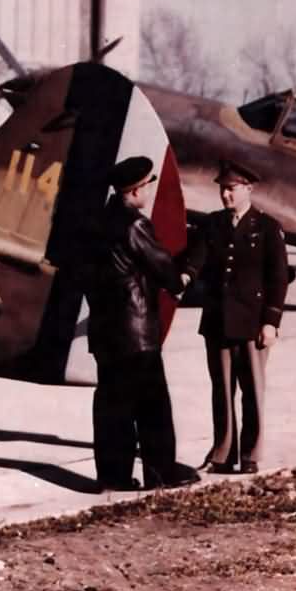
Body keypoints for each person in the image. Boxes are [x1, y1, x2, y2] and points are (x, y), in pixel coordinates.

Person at [85, 155, 198, 492]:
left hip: (105, 332)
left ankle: (113, 476)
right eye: (147, 185)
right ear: (134, 191)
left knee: (111, 405)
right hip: (136, 335)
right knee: (153, 407)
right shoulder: (134, 225)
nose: (148, 190)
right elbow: (164, 270)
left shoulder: (98, 223)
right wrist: (185, 275)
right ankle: (161, 471)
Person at [182, 159, 289, 475]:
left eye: (231, 189)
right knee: (222, 390)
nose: (226, 195)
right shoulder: (212, 224)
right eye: (222, 190)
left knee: (253, 392)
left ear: (248, 189)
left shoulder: (267, 228)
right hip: (217, 322)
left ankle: (250, 454)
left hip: (252, 323)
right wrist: (183, 279)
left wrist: (271, 322)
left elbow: (278, 278)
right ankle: (222, 453)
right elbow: (195, 261)